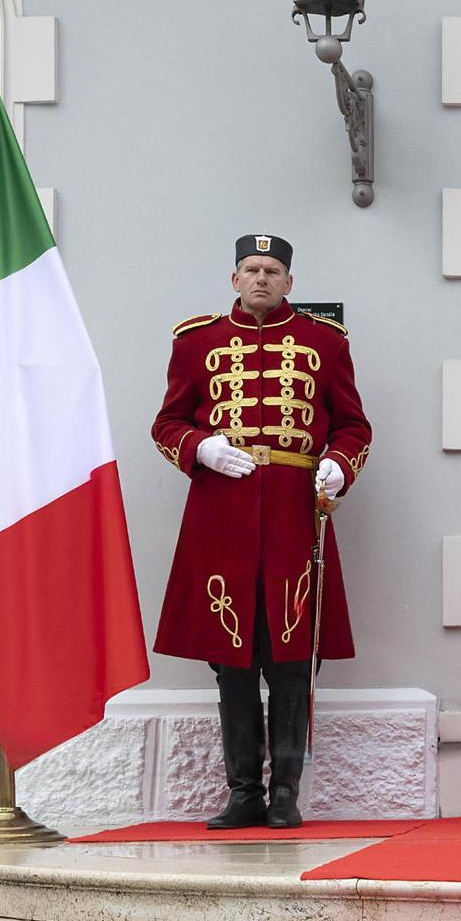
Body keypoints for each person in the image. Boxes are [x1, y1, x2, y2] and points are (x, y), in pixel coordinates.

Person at [151, 234, 372, 830]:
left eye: (273, 271)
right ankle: (244, 791)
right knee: (233, 660)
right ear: (234, 278)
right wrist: (203, 448)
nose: (262, 279)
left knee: (293, 660)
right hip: (221, 515)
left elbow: (354, 425)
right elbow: (166, 423)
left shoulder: (326, 342)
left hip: (295, 516)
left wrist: (339, 464)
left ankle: (286, 794)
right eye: (251, 269)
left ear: (289, 283)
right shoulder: (196, 342)